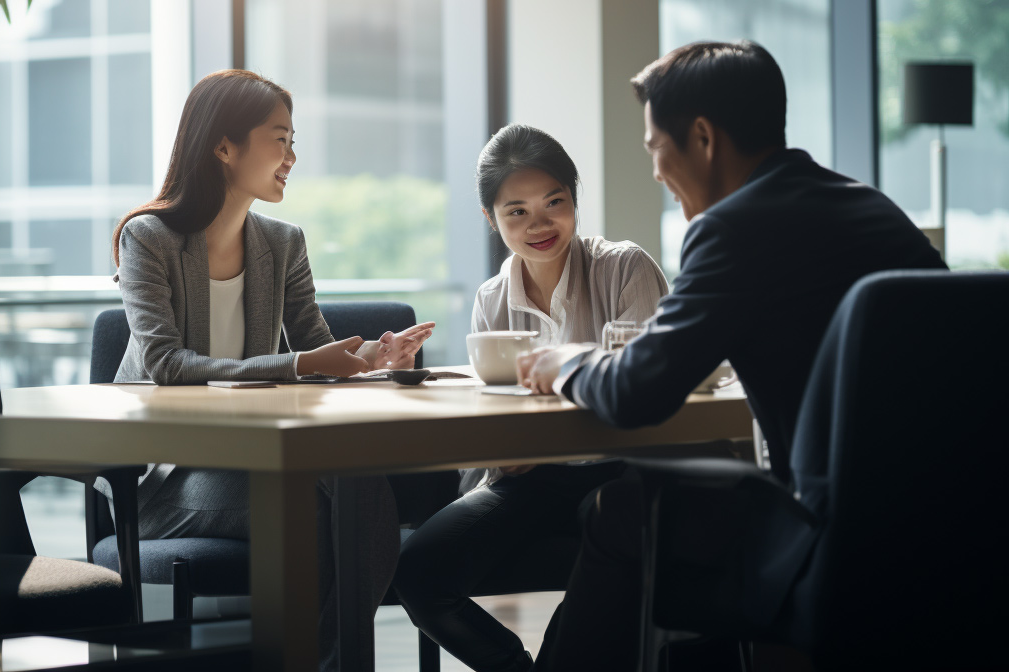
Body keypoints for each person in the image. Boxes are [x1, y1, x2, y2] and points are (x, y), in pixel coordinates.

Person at [516, 40, 946, 670]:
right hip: (948, 523)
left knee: (622, 508)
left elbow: (639, 390)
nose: (657, 173)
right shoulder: (872, 208)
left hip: (827, 532)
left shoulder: (731, 229)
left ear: (702, 137)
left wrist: (565, 363)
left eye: (654, 149)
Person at [98, 69, 435, 671]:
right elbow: (165, 363)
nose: (292, 156)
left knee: (363, 491)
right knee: (309, 506)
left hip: (254, 458)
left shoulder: (282, 243)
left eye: (293, 140)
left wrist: (367, 362)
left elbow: (317, 351)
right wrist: (306, 363)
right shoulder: (148, 238)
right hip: (164, 478)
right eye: (279, 139)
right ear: (224, 146)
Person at [394, 124, 669, 672]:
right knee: (418, 575)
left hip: (622, 474)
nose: (539, 224)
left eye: (555, 203)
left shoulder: (625, 267)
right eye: (516, 210)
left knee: (604, 583)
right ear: (490, 218)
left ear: (574, 199)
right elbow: (491, 407)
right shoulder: (492, 298)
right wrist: (498, 447)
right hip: (530, 478)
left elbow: (641, 392)